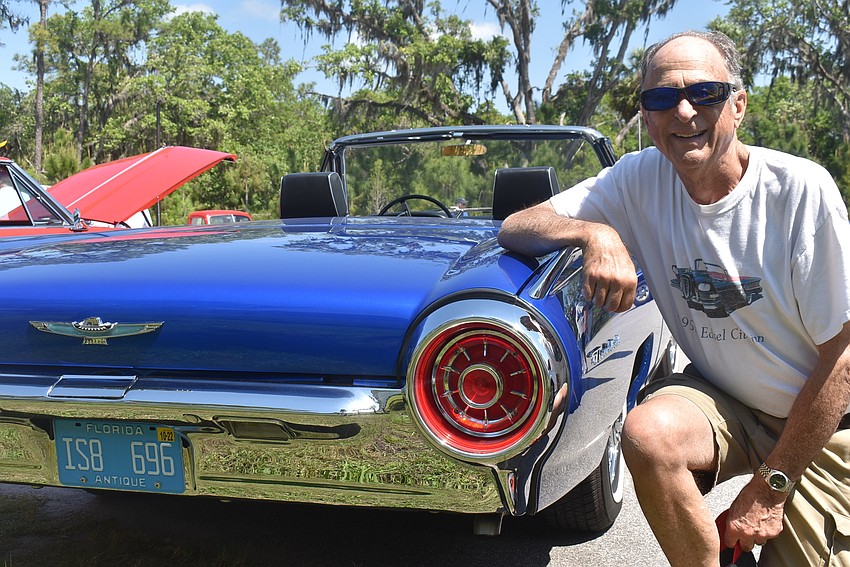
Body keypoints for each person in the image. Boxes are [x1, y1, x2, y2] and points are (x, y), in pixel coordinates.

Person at [497, 30, 850, 567]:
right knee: (647, 434)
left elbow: (841, 361)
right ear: (646, 115)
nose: (682, 112)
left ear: (738, 104)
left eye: (704, 93)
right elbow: (519, 226)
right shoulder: (639, 180)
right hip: (729, 400)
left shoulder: (800, 192)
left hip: (819, 421)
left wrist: (769, 489)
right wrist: (597, 235)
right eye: (660, 99)